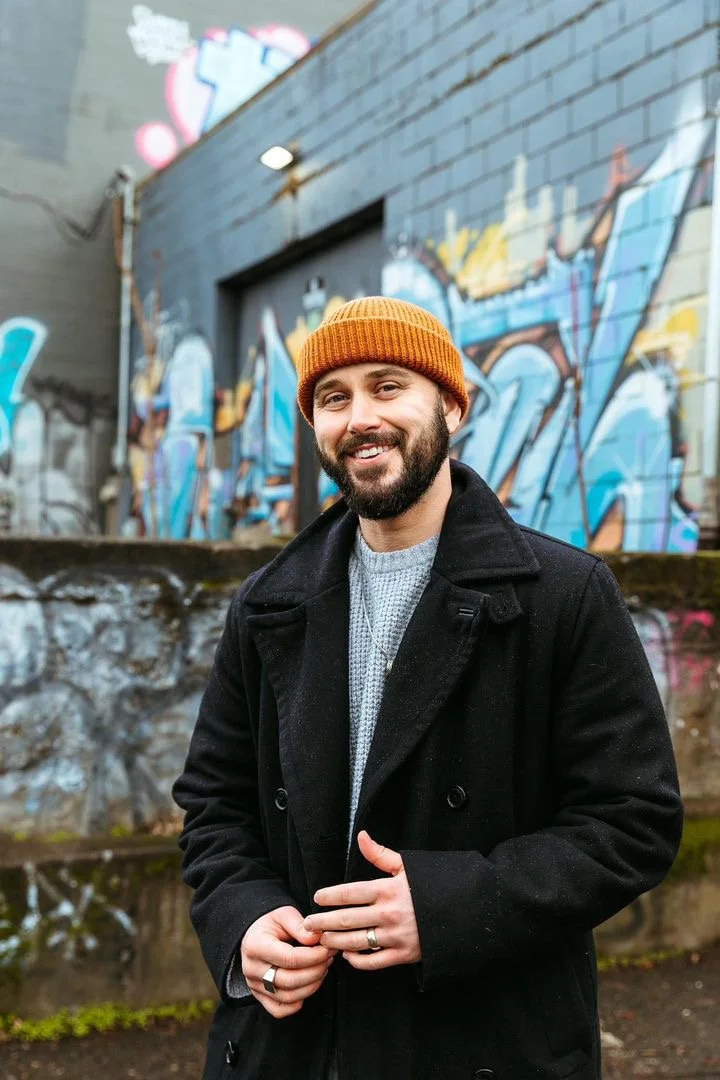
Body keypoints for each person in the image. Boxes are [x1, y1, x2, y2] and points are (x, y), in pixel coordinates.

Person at [173, 297, 683, 1080]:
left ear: (450, 403)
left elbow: (633, 819)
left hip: (481, 1038)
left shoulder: (565, 595)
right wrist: (244, 922)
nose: (360, 418)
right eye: (334, 398)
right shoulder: (268, 603)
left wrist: (453, 908)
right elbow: (215, 804)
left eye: (388, 386)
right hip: (293, 1045)